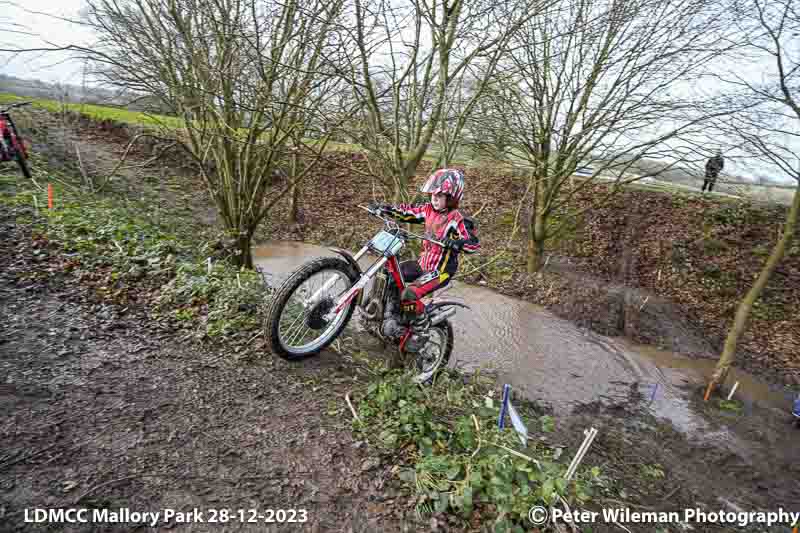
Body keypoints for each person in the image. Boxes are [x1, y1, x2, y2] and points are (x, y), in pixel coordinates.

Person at [370, 168, 480, 326]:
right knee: (389, 273)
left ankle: (418, 322)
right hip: (422, 264)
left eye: (440, 195)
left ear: (451, 198)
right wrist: (385, 208)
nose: (434, 198)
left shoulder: (457, 220)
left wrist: (457, 243)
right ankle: (391, 316)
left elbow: (472, 244)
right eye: (433, 194)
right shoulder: (427, 210)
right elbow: (406, 212)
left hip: (441, 272)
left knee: (409, 294)